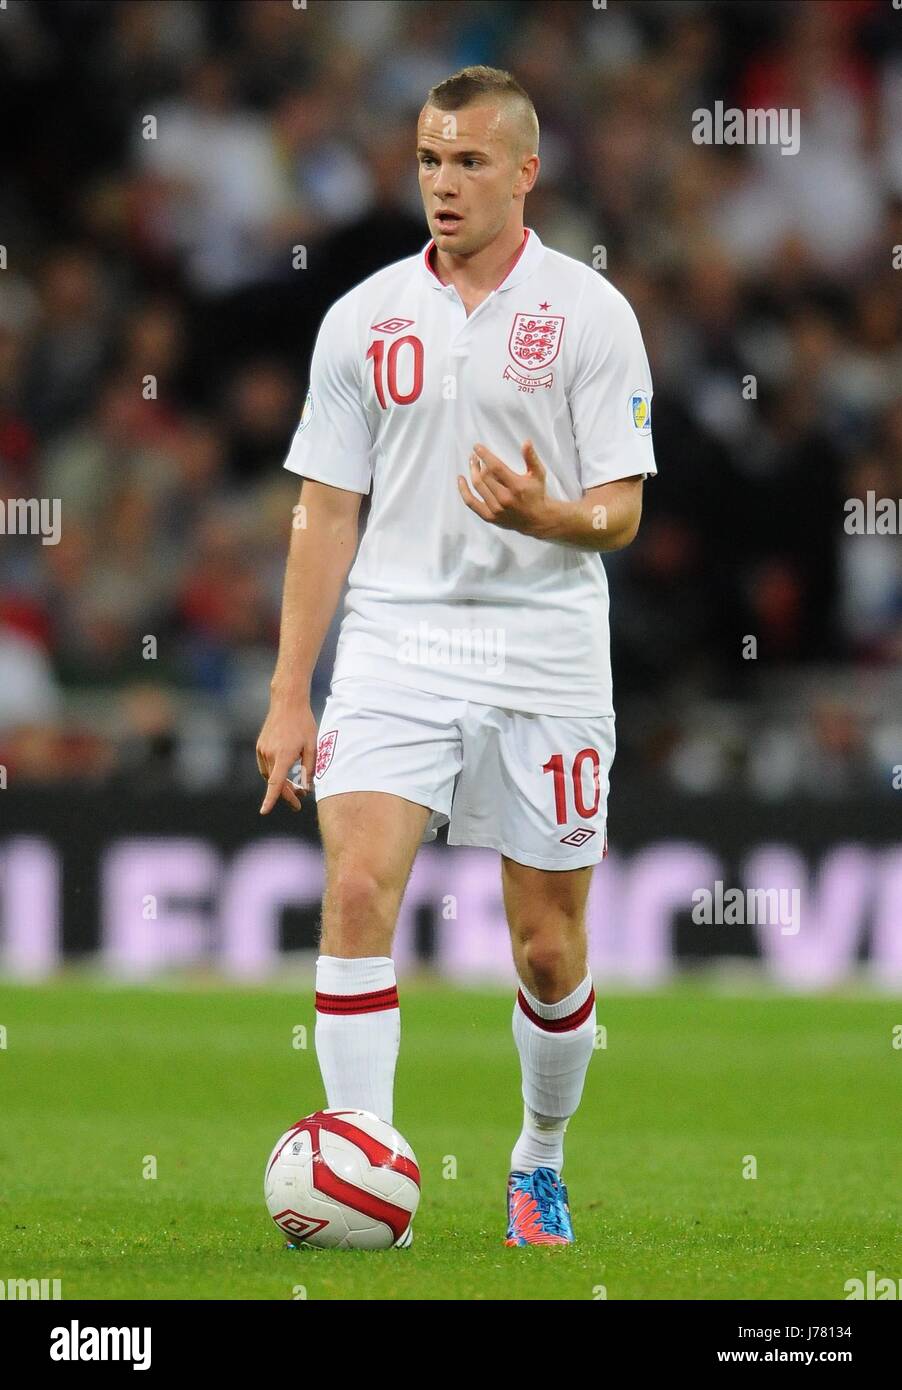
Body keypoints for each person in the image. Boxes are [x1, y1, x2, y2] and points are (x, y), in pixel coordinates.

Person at [256, 65, 656, 1247]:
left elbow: (619, 511)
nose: (443, 182)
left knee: (545, 947)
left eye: (469, 162)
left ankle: (538, 1154)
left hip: (543, 647)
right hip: (395, 641)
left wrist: (551, 518)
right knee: (358, 888)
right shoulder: (363, 316)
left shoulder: (589, 313)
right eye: (429, 159)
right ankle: (365, 1170)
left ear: (524, 172)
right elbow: (325, 511)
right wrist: (290, 691)